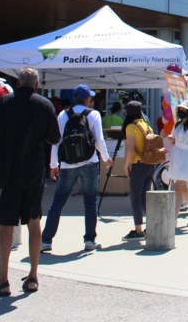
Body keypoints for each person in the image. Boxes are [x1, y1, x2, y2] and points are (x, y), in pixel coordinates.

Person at [0, 68, 61, 296]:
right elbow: (54, 138)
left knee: (5, 225)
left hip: (8, 172)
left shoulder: (5, 103)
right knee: (34, 222)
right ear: (36, 85)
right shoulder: (45, 105)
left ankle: (3, 280)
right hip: (34, 173)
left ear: (17, 83)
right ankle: (33, 276)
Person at [42, 84, 112, 253]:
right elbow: (99, 140)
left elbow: (56, 142)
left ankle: (46, 240)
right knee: (90, 202)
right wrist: (106, 158)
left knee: (58, 202)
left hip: (67, 164)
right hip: (89, 162)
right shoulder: (93, 114)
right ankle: (89, 240)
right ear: (87, 99)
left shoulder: (63, 115)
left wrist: (53, 165)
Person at [122, 101, 161, 241]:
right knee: (144, 197)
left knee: (135, 197)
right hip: (150, 164)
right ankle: (151, 226)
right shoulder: (147, 126)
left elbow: (131, 150)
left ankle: (138, 230)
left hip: (138, 165)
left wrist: (126, 165)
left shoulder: (131, 127)